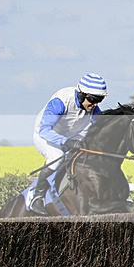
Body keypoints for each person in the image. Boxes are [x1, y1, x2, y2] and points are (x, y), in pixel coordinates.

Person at [30, 73, 107, 215]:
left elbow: (102, 128)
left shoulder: (93, 108)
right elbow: (45, 130)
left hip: (68, 135)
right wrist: (67, 142)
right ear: (81, 94)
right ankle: (37, 197)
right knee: (56, 156)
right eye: (93, 99)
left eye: (100, 99)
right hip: (45, 135)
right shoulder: (61, 101)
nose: (95, 104)